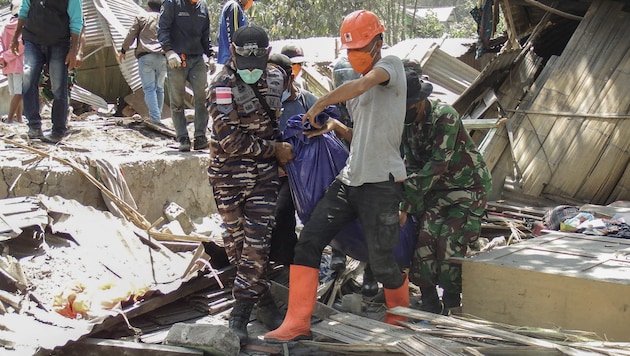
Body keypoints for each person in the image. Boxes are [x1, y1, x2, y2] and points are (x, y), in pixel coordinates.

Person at [264, 9, 409, 343]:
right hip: (350, 178)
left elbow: (361, 84)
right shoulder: (356, 93)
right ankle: (297, 321)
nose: (355, 55)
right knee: (310, 241)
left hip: (382, 182)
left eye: (361, 48)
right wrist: (332, 126)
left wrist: (316, 107)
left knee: (384, 261)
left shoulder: (392, 67)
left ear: (378, 43)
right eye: (350, 50)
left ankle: (399, 322)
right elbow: (363, 135)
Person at [207, 25, 294, 345]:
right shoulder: (220, 85)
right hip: (228, 177)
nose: (252, 72)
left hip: (263, 179)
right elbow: (229, 140)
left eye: (258, 65)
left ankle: (239, 316)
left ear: (268, 54)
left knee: (257, 246)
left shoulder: (276, 78)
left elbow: (278, 116)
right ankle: (266, 302)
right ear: (232, 49)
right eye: (246, 65)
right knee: (237, 249)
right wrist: (275, 150)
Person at [399, 70, 491, 315]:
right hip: (436, 192)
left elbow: (438, 163)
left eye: (407, 104)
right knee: (423, 243)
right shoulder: (407, 124)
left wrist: (406, 202)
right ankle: (430, 304)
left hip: (467, 188)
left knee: (448, 245)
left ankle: (452, 303)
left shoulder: (444, 116)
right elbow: (410, 163)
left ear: (419, 100)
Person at [266, 53, 317, 266]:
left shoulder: (307, 101)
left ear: (290, 78)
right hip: (273, 171)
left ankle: (296, 263)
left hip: (302, 173)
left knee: (289, 215)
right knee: (279, 218)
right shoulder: (264, 102)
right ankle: (284, 263)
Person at [12, 0, 83, 143]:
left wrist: (74, 50)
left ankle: (58, 130)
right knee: (27, 77)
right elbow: (24, 11)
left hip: (59, 43)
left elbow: (76, 21)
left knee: (58, 85)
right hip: (32, 39)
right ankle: (34, 126)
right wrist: (15, 37)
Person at [158, 0, 213, 152]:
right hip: (177, 58)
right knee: (177, 101)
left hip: (197, 59)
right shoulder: (172, 3)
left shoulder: (202, 7)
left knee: (202, 98)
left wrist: (211, 55)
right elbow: (162, 29)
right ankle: (182, 137)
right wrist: (169, 51)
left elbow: (205, 34)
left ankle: (200, 137)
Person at [119, 0, 166, 125]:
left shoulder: (142, 17)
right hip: (163, 57)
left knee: (149, 88)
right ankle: (158, 116)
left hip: (146, 57)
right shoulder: (166, 19)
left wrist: (123, 50)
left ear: (149, 7)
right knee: (159, 88)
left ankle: (155, 119)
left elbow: (131, 35)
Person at [0, 0, 24, 124]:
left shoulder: (5, 25)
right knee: (19, 92)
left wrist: (2, 58)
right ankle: (10, 119)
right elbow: (20, 46)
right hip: (19, 64)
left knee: (16, 92)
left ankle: (19, 119)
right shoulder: (22, 25)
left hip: (8, 65)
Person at [217, 0, 254, 65]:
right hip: (232, 59)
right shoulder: (233, 6)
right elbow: (234, 35)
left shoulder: (235, 7)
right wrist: (236, 56)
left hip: (231, 59)